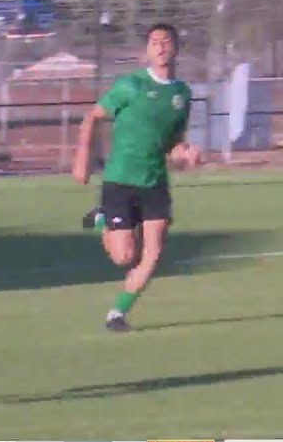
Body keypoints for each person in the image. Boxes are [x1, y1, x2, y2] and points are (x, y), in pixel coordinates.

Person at [72, 23, 201, 332]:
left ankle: (117, 314)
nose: (160, 46)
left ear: (176, 48)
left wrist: (185, 154)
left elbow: (172, 143)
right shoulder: (131, 85)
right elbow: (93, 116)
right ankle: (102, 218)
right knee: (124, 256)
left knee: (152, 255)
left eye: (166, 41)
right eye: (154, 42)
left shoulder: (182, 94)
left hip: (155, 183)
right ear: (147, 50)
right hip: (121, 180)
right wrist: (82, 157)